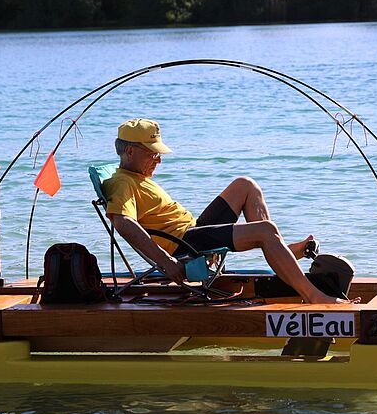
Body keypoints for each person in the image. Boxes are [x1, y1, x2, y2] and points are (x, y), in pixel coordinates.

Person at [103, 118, 343, 304]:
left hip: (193, 232)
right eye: (153, 153)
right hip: (184, 245)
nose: (159, 160)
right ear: (130, 151)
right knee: (265, 230)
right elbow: (123, 222)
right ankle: (313, 295)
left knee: (245, 185)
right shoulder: (123, 183)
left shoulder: (136, 176)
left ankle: (280, 251)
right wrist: (166, 261)